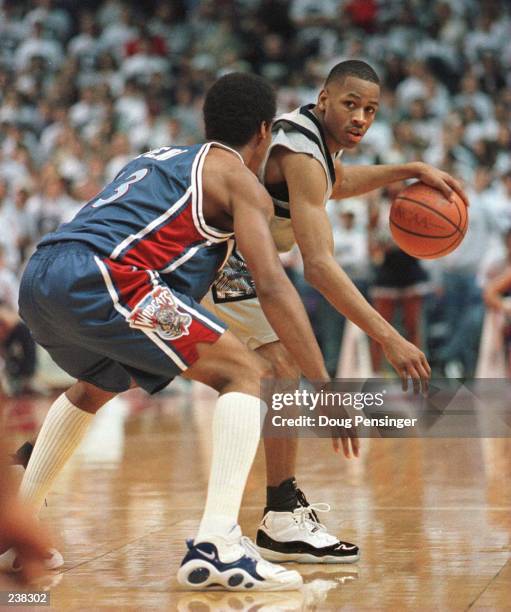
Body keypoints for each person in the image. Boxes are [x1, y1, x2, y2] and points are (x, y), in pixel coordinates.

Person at [1, 72, 342, 592]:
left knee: (98, 384)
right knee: (247, 372)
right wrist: (324, 386)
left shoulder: (157, 157)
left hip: (43, 274)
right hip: (107, 276)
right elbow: (273, 285)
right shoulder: (237, 179)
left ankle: (13, 533)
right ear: (263, 130)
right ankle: (220, 546)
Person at [203, 60, 467, 563]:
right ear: (324, 98)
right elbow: (319, 266)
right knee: (280, 367)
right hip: (216, 257)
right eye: (350, 104)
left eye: (370, 109)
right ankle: (279, 515)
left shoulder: (312, 143)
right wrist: (389, 337)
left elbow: (336, 182)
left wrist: (409, 170)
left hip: (222, 256)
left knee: (115, 368)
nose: (361, 117)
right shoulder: (301, 151)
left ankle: (24, 468)